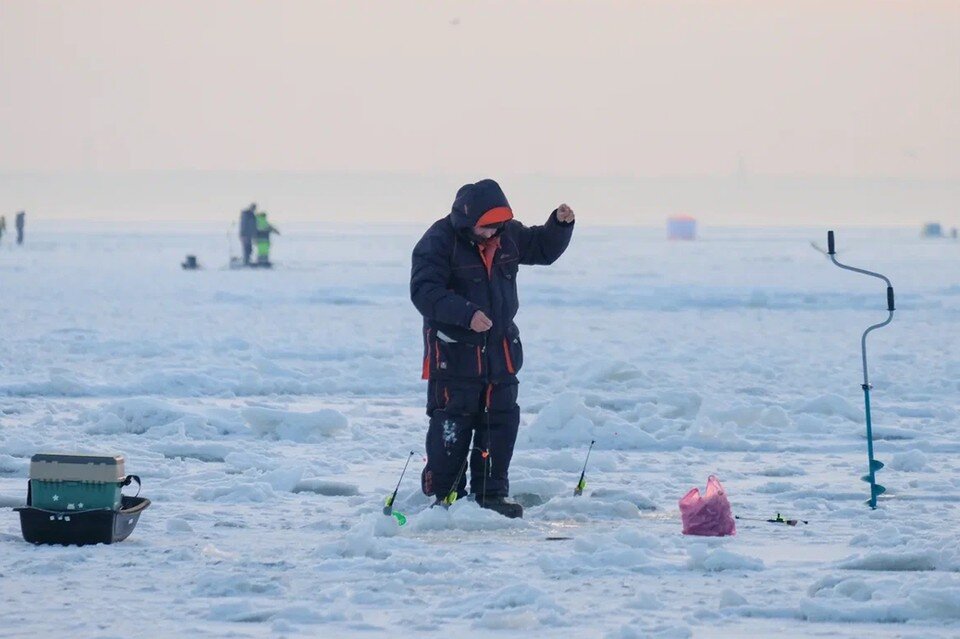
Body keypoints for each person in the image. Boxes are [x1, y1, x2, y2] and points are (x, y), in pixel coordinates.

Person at [410, 178, 575, 518]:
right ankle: (445, 496)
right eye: (485, 228)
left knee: (499, 422)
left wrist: (559, 225)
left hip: (500, 351)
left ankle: (492, 495)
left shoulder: (508, 234)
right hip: (454, 354)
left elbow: (541, 248)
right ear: (467, 221)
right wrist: (466, 315)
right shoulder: (438, 241)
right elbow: (424, 291)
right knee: (451, 425)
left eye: (497, 227)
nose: (492, 234)